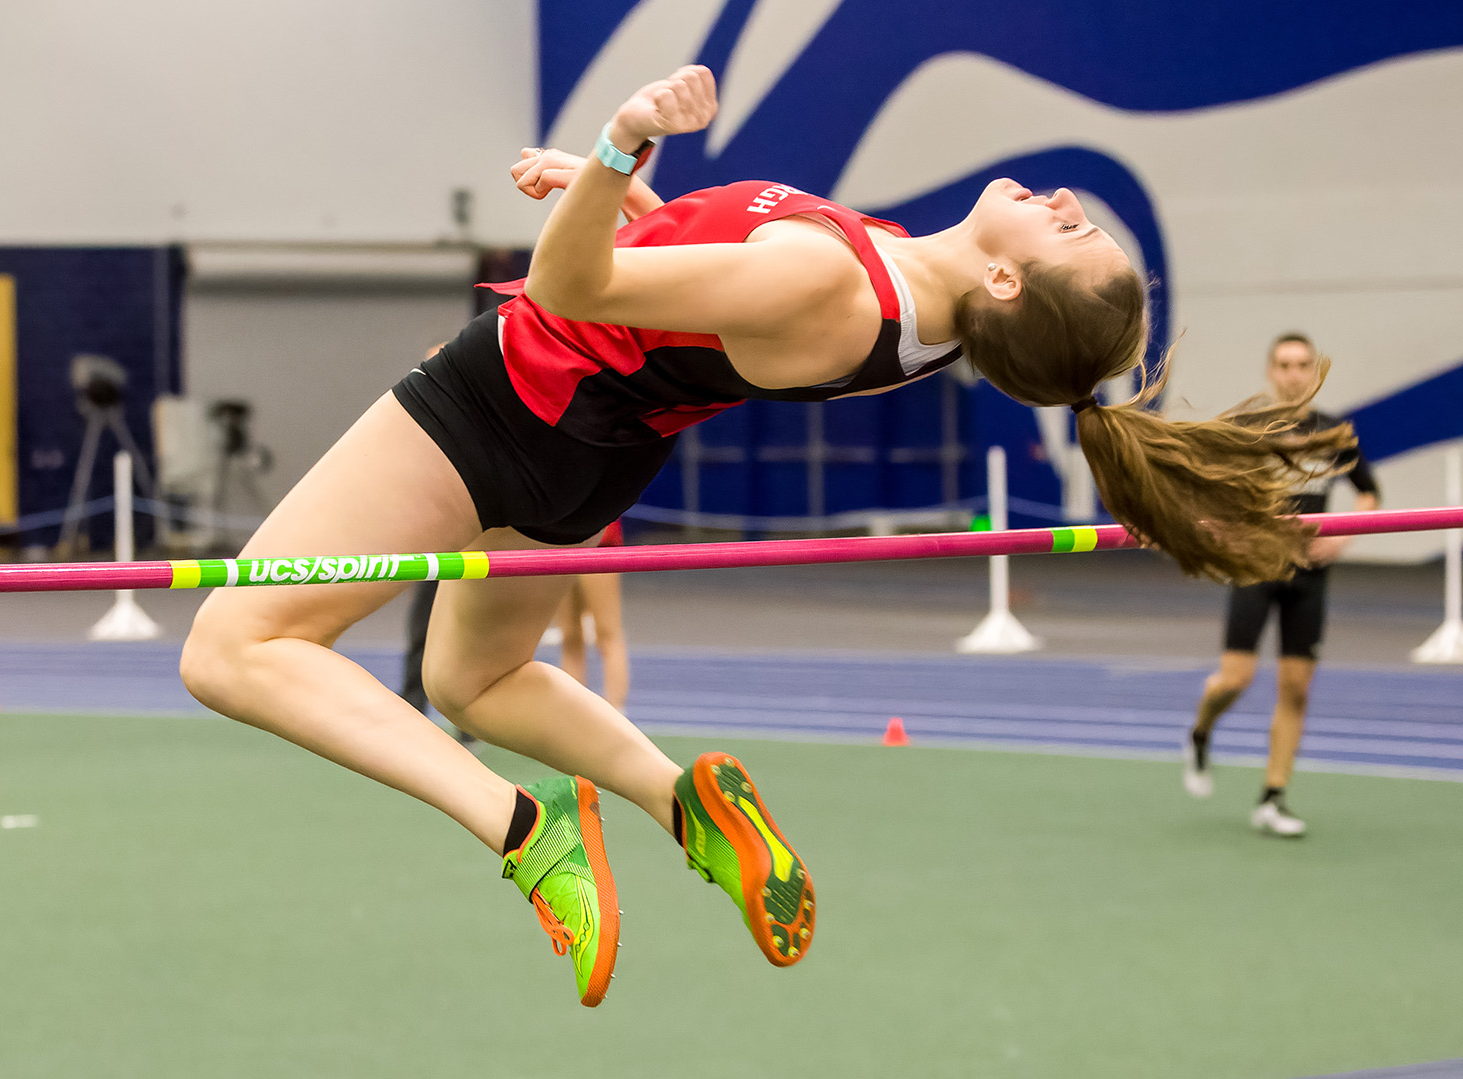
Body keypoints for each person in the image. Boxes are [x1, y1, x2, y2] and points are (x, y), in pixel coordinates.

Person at [180, 65, 1346, 1007]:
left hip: (504, 399)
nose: (1061, 202)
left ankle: (519, 824)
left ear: (1004, 279)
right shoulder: (917, 310)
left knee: (235, 646)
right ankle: (681, 802)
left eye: (1068, 231)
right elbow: (702, 305)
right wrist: (636, 209)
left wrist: (619, 143)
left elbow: (568, 287)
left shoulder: (833, 282)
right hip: (599, 451)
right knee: (473, 675)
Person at [1181, 334, 1379, 836]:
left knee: (1296, 688)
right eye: (1284, 365)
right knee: (1235, 680)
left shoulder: (1334, 432)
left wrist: (1342, 538)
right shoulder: (1249, 429)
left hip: (1310, 574)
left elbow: (1369, 495)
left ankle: (1273, 798)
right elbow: (1209, 486)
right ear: (1271, 372)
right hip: (1256, 567)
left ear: (1313, 373)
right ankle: (1201, 731)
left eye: (1302, 365)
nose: (1293, 374)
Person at [552, 519, 630, 712]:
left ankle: (616, 712)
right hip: (560, 544)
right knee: (569, 635)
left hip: (600, 544)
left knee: (607, 634)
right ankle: (572, 713)